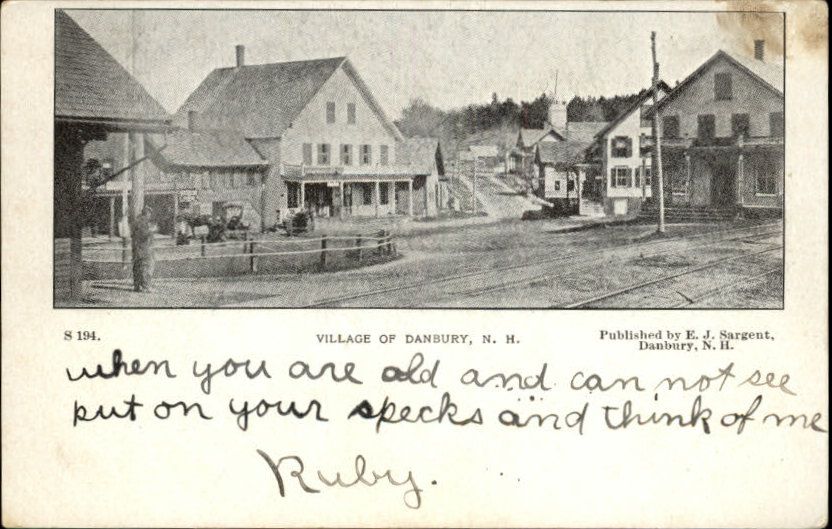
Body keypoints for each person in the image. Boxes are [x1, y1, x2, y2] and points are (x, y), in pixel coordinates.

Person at [131, 206, 155, 292]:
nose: (150, 216)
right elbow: (144, 235)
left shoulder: (136, 221)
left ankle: (137, 286)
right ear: (147, 213)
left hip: (136, 248)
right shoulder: (144, 222)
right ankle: (146, 286)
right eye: (150, 214)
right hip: (144, 248)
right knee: (146, 266)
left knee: (137, 267)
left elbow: (133, 234)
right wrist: (151, 231)